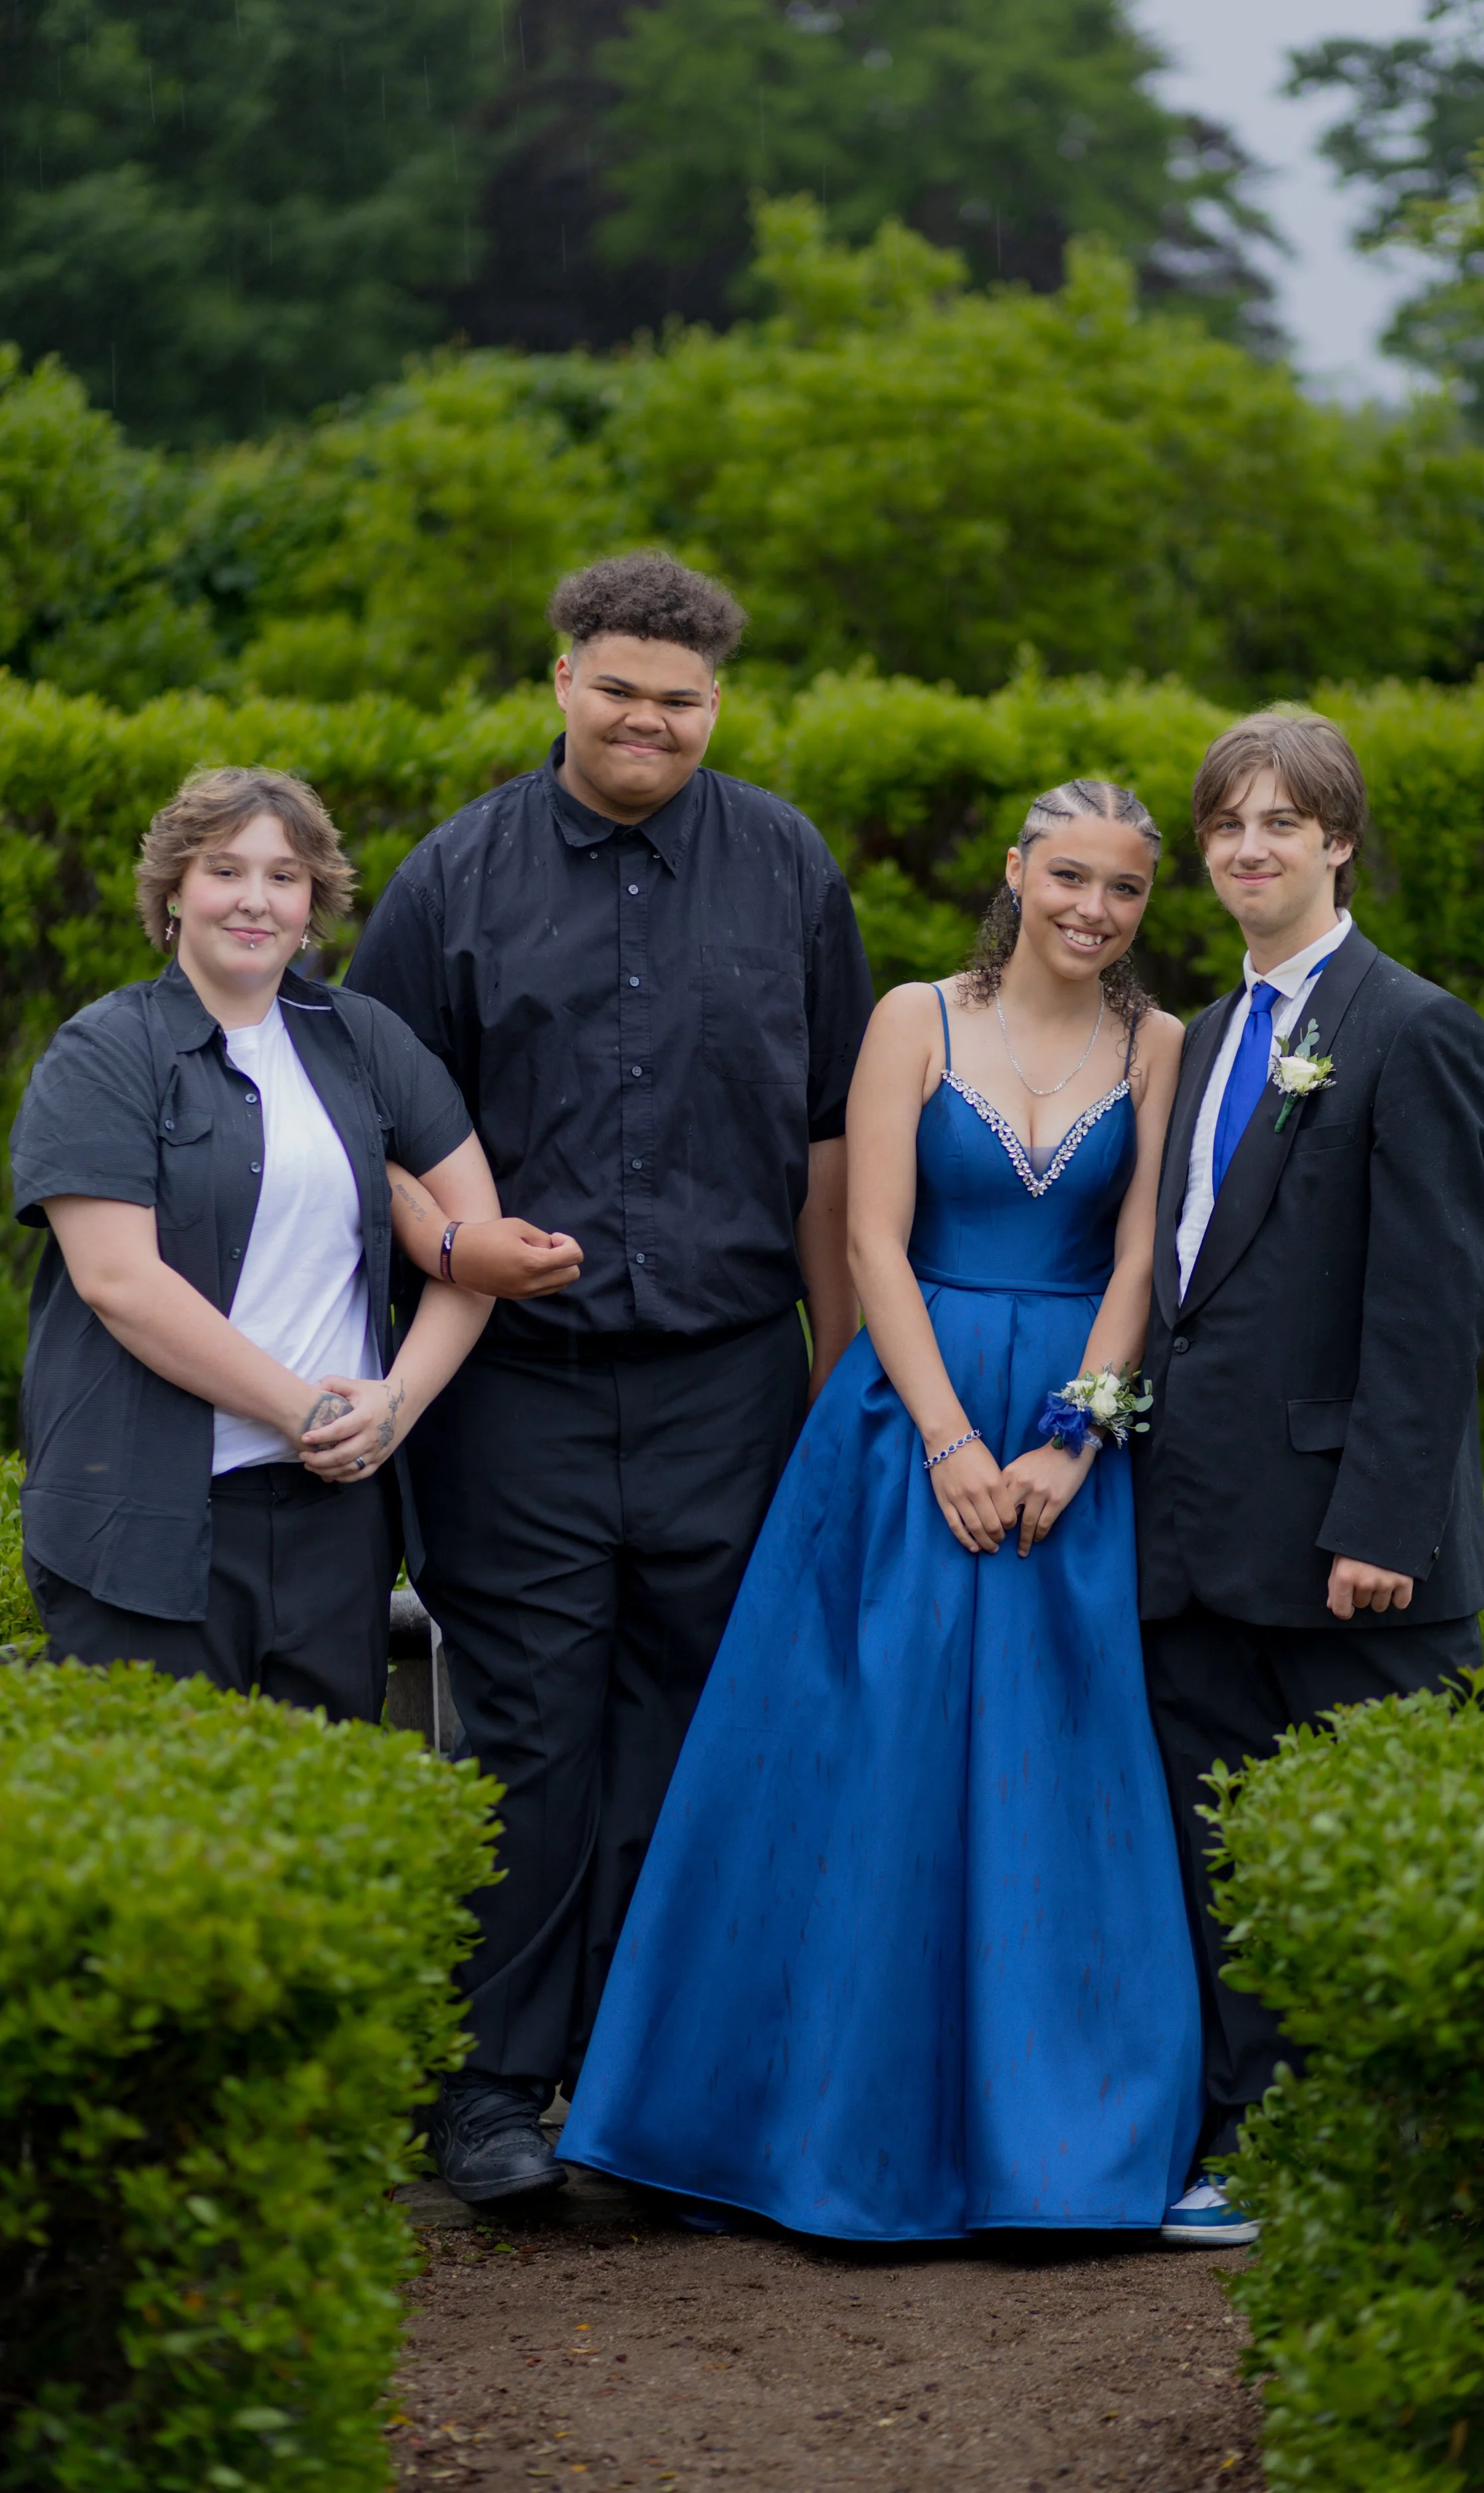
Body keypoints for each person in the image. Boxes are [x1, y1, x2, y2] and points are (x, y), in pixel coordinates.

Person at [560, 779, 1205, 2243]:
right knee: (870, 1760)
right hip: (903, 1422)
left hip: (1065, 1441)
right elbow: (868, 1237)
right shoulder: (914, 1014)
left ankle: (1059, 2151)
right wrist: (946, 1443)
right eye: (1068, 877)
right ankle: (810, 2133)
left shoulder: (1158, 1043)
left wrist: (1071, 1443)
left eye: (1121, 889)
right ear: (1014, 872)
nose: (1092, 910)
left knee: (1062, 1773)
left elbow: (1132, 1267)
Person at [344, 550, 875, 2205]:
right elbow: (374, 1129)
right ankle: (493, 2097)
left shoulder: (786, 863)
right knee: (523, 1735)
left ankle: (659, 2105)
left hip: (730, 1379)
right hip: (516, 1388)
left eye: (681, 698)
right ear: (560, 682)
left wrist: (838, 1385)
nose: (648, 718)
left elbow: (832, 1149)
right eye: (620, 688)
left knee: (702, 1733)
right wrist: (451, 1255)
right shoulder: (453, 879)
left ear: (715, 704)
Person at [1133, 711, 1484, 2247]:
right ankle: (1251, 2142)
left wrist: (1379, 1526)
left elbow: (1430, 1308)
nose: (1247, 848)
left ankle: (1448, 2166)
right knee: (1220, 1860)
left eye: (1283, 822)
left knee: (1381, 1877)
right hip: (1194, 1541)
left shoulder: (1411, 1028)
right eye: (1227, 823)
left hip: (1349, 1550)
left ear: (1337, 842)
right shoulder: (1206, 1036)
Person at [8, 765, 579, 1719]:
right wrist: (307, 1411)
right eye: (224, 870)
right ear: (174, 892)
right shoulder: (104, 1052)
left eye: (283, 876)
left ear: (313, 900)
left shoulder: (368, 1042)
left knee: (318, 1830)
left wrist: (396, 1403)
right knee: (165, 1824)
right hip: (143, 1523)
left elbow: (474, 1250)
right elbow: (118, 1281)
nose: (254, 900)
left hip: (332, 1526)